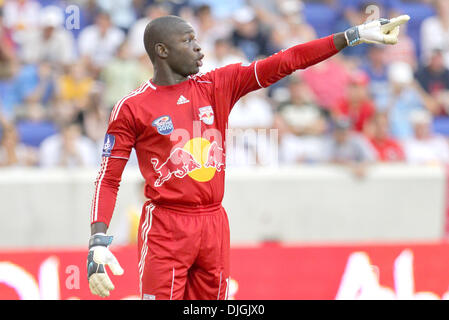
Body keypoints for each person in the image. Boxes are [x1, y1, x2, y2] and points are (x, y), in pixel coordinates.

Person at [86, 14, 410, 300]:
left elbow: (287, 60)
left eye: (197, 39)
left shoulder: (216, 85)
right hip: (168, 225)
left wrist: (351, 36)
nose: (199, 48)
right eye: (188, 41)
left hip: (214, 223)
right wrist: (98, 239)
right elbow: (108, 177)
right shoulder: (132, 107)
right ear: (162, 51)